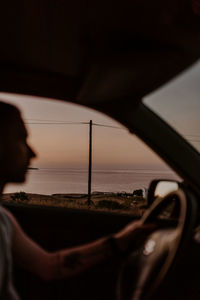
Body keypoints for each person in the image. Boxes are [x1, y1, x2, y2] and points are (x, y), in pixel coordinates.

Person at [0, 101, 153, 299]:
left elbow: (49, 266)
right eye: (21, 139)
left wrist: (119, 242)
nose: (33, 153)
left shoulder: (4, 220)